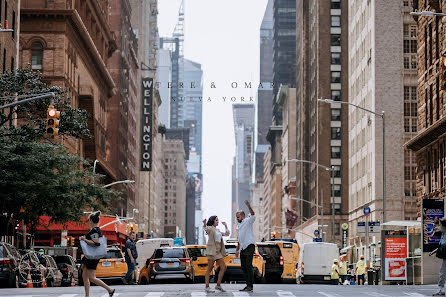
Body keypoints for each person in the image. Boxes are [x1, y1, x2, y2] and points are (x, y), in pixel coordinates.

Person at [80, 211, 115, 297]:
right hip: (89, 256)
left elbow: (96, 243)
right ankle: (87, 295)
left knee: (91, 277)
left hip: (92, 257)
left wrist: (84, 240)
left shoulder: (95, 230)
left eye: (88, 220)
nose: (88, 222)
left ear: (91, 221)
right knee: (84, 277)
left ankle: (109, 289)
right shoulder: (94, 230)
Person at [203, 216, 230, 293]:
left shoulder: (217, 230)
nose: (218, 221)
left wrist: (225, 226)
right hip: (212, 251)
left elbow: (227, 234)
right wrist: (204, 224)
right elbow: (206, 229)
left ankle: (218, 285)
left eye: (218, 220)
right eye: (216, 220)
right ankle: (207, 287)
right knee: (209, 269)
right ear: (212, 221)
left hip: (218, 252)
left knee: (223, 267)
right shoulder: (210, 228)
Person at [235, 200, 256, 292]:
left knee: (248, 265)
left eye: (238, 217)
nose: (237, 218)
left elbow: (253, 214)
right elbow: (239, 238)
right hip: (243, 248)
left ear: (243, 216)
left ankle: (250, 286)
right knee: (243, 267)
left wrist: (248, 206)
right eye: (236, 217)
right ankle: (247, 285)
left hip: (249, 245)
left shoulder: (248, 221)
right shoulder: (238, 226)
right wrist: (237, 249)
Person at [432, 217, 446, 296]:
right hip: (445, 256)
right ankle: (441, 289)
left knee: (442, 272)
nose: (439, 226)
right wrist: (433, 251)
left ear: (444, 226)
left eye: (440, 224)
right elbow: (441, 245)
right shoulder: (442, 234)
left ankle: (441, 289)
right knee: (442, 272)